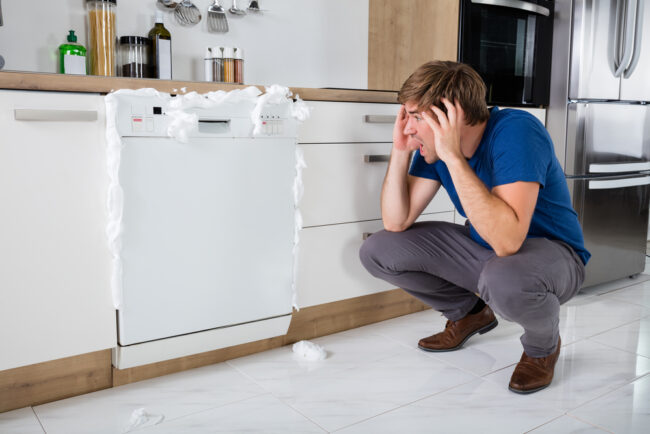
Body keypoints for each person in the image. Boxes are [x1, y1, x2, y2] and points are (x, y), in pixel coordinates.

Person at [359, 61, 589, 394]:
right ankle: (469, 314)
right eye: (406, 115)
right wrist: (400, 150)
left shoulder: (517, 131)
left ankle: (542, 348)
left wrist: (453, 157)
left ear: (450, 119)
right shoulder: (432, 149)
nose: (408, 127)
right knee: (378, 250)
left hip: (552, 256)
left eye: (416, 117)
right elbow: (397, 221)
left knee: (505, 276)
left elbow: (508, 242)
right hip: (489, 250)